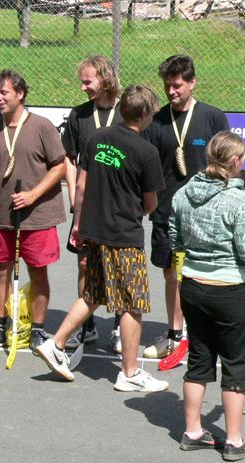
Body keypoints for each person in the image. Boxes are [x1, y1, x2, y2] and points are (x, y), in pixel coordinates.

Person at [38, 85, 170, 393]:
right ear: (145, 114)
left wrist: (78, 224)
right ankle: (130, 372)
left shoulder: (97, 139)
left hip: (94, 231)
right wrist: (140, 207)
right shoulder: (146, 152)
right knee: (133, 303)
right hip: (124, 235)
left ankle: (55, 344)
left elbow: (81, 187)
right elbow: (151, 203)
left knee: (94, 294)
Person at [170, 132, 245, 462]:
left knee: (199, 358)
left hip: (193, 286)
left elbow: (175, 238)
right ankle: (234, 440)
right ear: (234, 161)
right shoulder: (238, 201)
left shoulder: (183, 194)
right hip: (227, 290)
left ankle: (192, 431)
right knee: (236, 364)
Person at [0, 70, 66, 356]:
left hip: (38, 218)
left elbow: (60, 166)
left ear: (20, 94)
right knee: (0, 271)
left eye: (4, 93)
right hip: (2, 216)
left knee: (38, 272)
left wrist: (33, 195)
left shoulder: (42, 127)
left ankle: (37, 330)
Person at [142, 54, 229, 359]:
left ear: (192, 83)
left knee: (205, 274)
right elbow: (146, 167)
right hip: (167, 212)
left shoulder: (213, 117)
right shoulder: (156, 121)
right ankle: (174, 334)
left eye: (177, 85)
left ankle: (205, 333)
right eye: (167, 85)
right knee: (172, 275)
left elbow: (225, 165)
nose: (171, 91)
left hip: (205, 214)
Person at [62, 55, 124, 353]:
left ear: (105, 79)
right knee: (85, 264)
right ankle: (85, 326)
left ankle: (119, 325)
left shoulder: (126, 113)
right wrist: (74, 197)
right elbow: (69, 158)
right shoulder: (79, 115)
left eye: (88, 82)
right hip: (87, 205)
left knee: (119, 267)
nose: (83, 87)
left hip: (119, 206)